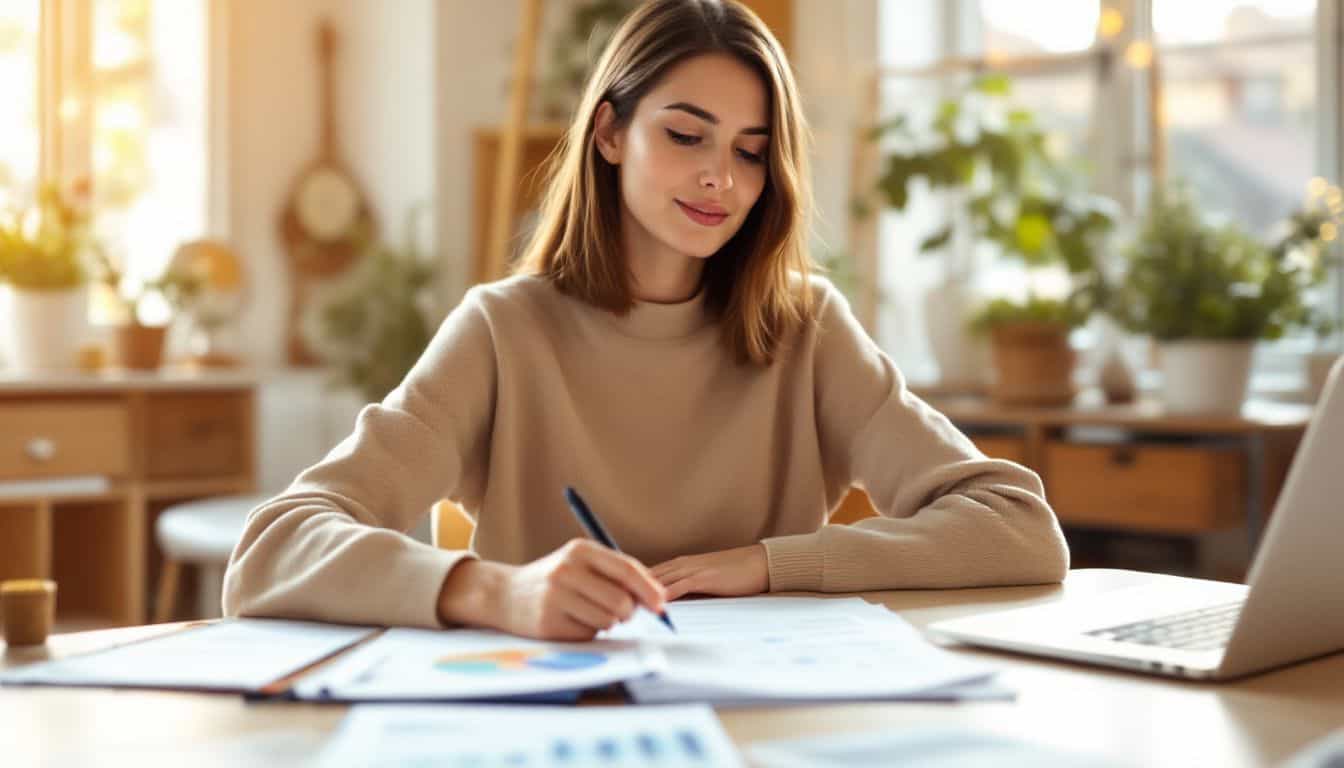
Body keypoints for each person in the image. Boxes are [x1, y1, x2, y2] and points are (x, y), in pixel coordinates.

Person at [223, 0, 1068, 641]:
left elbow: (1017, 527)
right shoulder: (502, 333)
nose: (720, 180)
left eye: (748, 150)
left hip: (773, 726)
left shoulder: (807, 327)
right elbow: (272, 548)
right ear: (610, 134)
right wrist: (494, 590)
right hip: (549, 719)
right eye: (686, 135)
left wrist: (768, 566)